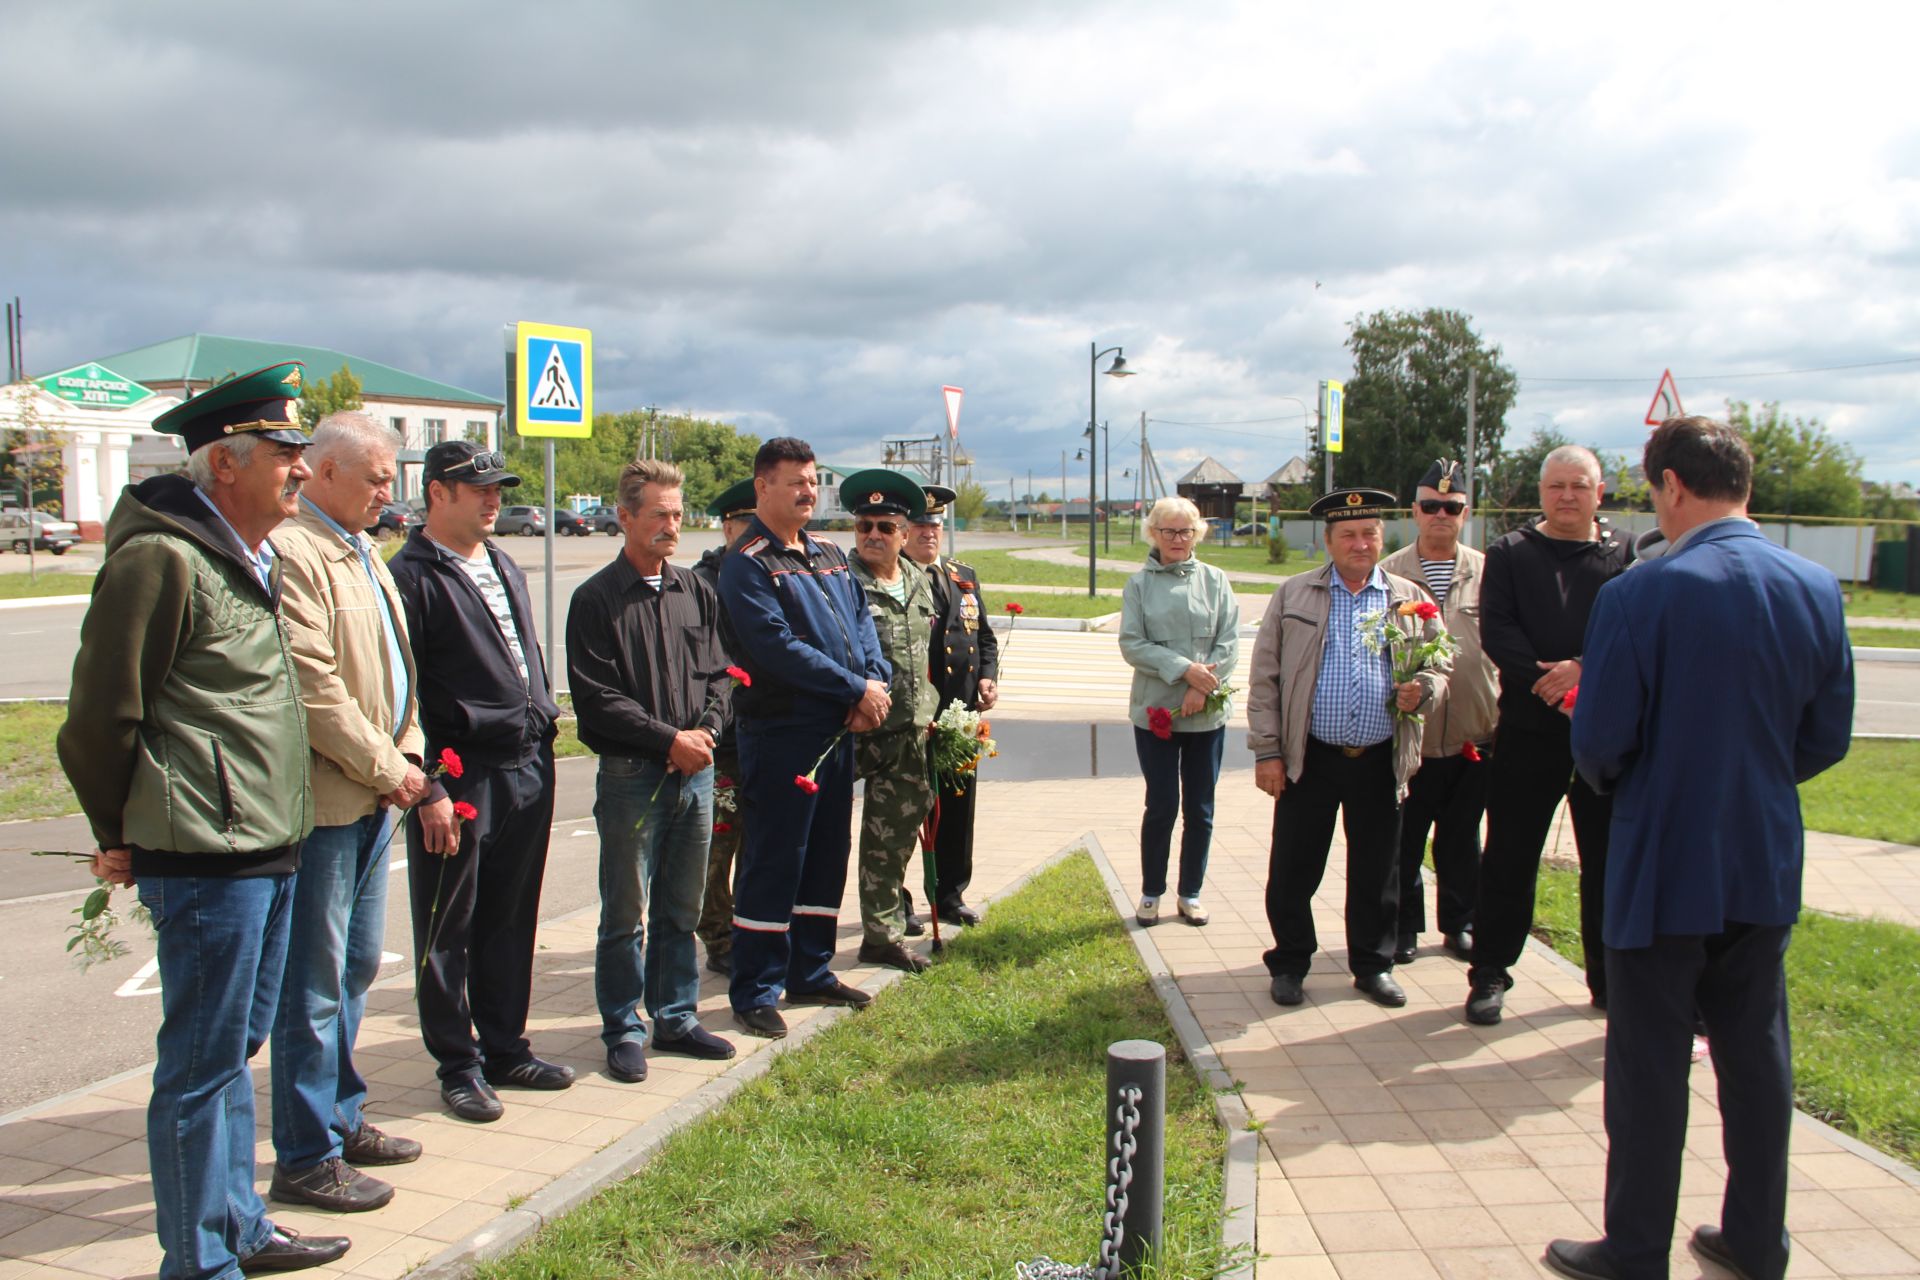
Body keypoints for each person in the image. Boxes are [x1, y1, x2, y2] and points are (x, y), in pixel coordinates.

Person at [57, 363, 353, 1276]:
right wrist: (119, 834)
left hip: (266, 847)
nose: (301, 469)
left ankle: (239, 1229)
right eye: (286, 452)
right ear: (226, 462)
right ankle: (199, 1260)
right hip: (203, 852)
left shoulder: (245, 553)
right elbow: (101, 717)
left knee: (232, 1055)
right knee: (197, 1070)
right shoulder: (161, 557)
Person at [1545, 418, 1854, 1280]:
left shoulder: (1643, 592)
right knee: (1756, 1053)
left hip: (1662, 856)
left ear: (1672, 486)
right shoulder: (1817, 586)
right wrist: (1749, 779)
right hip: (1761, 853)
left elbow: (1600, 741)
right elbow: (1825, 736)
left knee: (1648, 1063)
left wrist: (1645, 783)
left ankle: (1637, 1246)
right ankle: (1757, 1239)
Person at [268, 412, 428, 1214]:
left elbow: (398, 669)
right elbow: (313, 686)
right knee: (316, 982)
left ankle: (341, 1115)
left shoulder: (363, 550)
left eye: (389, 478)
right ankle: (303, 1154)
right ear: (322, 473)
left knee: (357, 966)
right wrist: (385, 764)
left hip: (375, 793)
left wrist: (412, 750)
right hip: (333, 801)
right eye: (373, 479)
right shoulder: (296, 551)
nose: (386, 493)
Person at [389, 441, 568, 1122]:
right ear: (438, 493)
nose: (494, 499)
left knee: (510, 914)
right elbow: (402, 696)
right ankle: (457, 1064)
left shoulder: (502, 563)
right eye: (478, 488)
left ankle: (505, 1046)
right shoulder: (411, 575)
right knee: (448, 924)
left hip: (526, 761)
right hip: (461, 774)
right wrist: (427, 784)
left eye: (498, 488)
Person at [567, 459, 738, 1083]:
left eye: (677, 514)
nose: (672, 526)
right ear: (625, 518)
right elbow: (596, 698)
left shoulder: (695, 590)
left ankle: (676, 1015)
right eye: (659, 514)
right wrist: (669, 739)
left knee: (682, 905)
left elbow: (722, 674)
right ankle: (623, 1026)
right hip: (633, 777)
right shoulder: (595, 601)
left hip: (695, 773)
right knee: (625, 911)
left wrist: (709, 732)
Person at [1247, 488, 1449, 1009]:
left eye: (1370, 534)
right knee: (1294, 867)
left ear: (1382, 537)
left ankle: (1372, 964)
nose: (1361, 544)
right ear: (1329, 541)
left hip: (1380, 758)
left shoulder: (1409, 597)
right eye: (1349, 535)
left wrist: (1422, 689)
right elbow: (1265, 679)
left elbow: (1438, 665)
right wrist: (1268, 751)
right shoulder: (1294, 595)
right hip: (1310, 757)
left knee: (1377, 870)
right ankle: (1290, 961)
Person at [717, 437, 891, 1039]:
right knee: (774, 859)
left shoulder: (828, 554)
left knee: (824, 854)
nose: (808, 492)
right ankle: (757, 988)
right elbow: (774, 648)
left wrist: (874, 683)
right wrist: (853, 690)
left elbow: (862, 623)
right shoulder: (748, 563)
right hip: (783, 734)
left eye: (813, 481)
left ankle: (811, 970)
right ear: (762, 487)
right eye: (794, 482)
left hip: (837, 731)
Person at [1465, 445, 1629, 1025]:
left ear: (1599, 492)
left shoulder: (1624, 555)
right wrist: (1555, 687)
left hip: (1605, 733)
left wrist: (1584, 669)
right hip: (1530, 729)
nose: (1567, 496)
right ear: (1541, 492)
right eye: (1557, 485)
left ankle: (1609, 982)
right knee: (1510, 855)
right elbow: (1499, 632)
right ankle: (1489, 974)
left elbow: (1633, 632)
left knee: (1607, 861)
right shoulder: (1510, 554)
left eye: (1579, 486)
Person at [1379, 459, 1499, 964]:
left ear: (1465, 513)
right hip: (1415, 735)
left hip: (1475, 730)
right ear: (1415, 511)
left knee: (1461, 838)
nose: (1441, 515)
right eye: (1431, 506)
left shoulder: (1489, 571)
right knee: (1405, 839)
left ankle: (1461, 922)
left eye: (1451, 507)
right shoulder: (1391, 575)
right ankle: (1404, 926)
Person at [1118, 495, 1239, 926]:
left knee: (1200, 809)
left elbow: (1228, 642)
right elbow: (1132, 643)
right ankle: (1152, 892)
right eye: (1168, 531)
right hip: (1157, 714)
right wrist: (1185, 671)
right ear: (1153, 533)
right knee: (1163, 804)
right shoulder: (1139, 585)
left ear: (1197, 534)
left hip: (1206, 712)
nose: (1177, 539)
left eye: (1185, 531)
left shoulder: (1216, 580)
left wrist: (1202, 689)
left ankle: (1191, 893)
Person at [844, 470, 940, 972]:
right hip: (851, 731)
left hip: (907, 732)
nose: (873, 536)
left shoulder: (918, 578)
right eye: (864, 527)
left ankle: (881, 935)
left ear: (905, 532)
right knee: (817, 838)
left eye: (885, 526)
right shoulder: (839, 582)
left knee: (892, 834)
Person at [904, 484, 998, 927]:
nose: (929, 533)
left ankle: (951, 895)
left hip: (960, 715)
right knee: (904, 809)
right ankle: (896, 900)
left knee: (959, 805)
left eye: (935, 525)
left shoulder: (962, 575)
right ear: (902, 530)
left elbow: (984, 637)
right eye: (920, 525)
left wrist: (988, 677)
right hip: (912, 716)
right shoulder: (894, 575)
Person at [690, 477, 759, 977]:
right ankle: (718, 936)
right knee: (719, 844)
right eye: (746, 524)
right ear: (727, 526)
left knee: (759, 841)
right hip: (722, 736)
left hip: (766, 731)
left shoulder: (770, 571)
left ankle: (754, 928)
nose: (754, 533)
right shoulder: (702, 582)